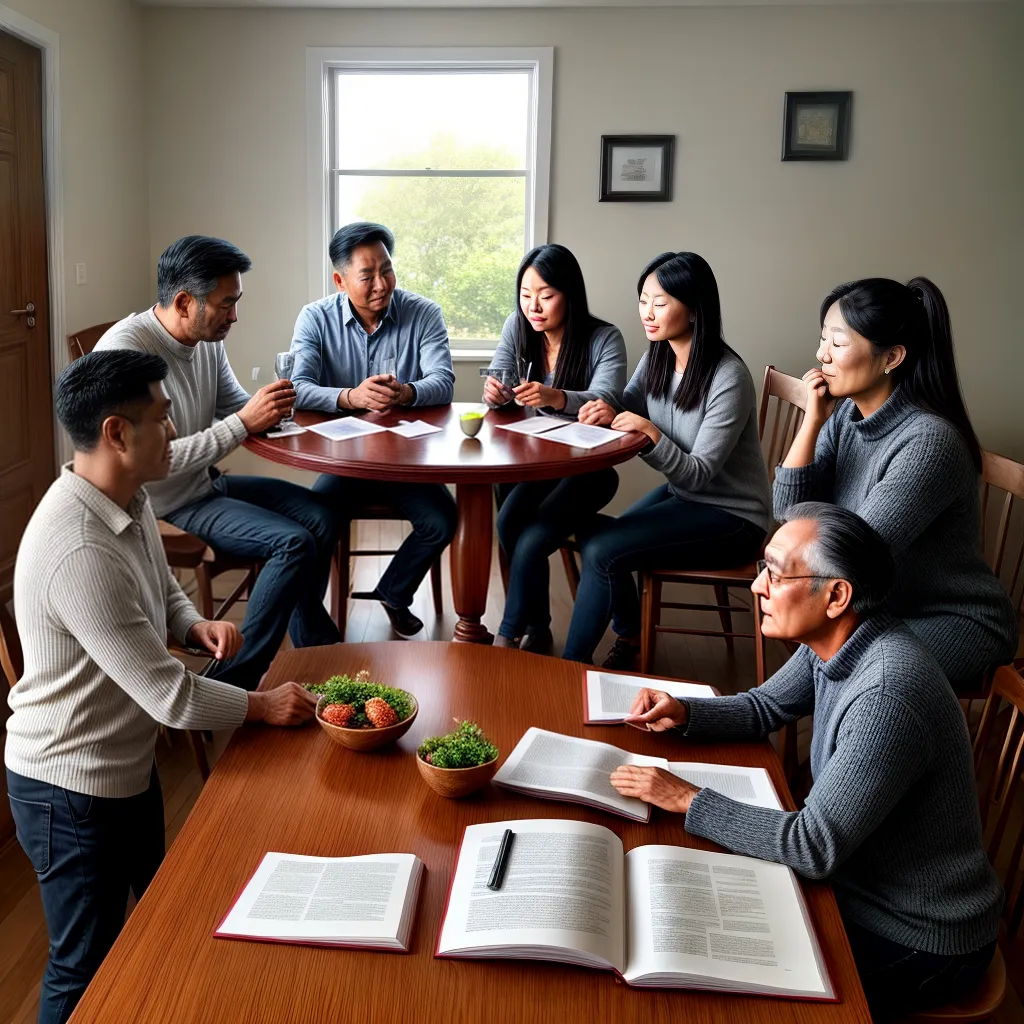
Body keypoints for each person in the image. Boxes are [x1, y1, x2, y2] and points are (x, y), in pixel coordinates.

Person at [6, 350, 319, 1024]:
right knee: (81, 965)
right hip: (68, 787)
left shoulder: (127, 495)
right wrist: (263, 705)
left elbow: (159, 590)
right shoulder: (79, 546)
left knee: (152, 922)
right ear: (117, 432)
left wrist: (193, 622)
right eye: (162, 416)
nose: (175, 430)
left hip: (122, 764)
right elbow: (171, 699)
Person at [610, 503, 1002, 1019]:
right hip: (854, 885)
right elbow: (764, 706)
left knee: (714, 987)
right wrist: (685, 711)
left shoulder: (887, 694)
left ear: (836, 596)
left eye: (776, 573)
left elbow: (811, 846)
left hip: (918, 935)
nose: (758, 586)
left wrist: (684, 798)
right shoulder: (838, 642)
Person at [96, 235, 342, 689]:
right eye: (226, 304)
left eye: (236, 302)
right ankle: (234, 683)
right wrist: (245, 422)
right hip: (160, 504)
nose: (235, 316)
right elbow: (149, 462)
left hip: (203, 485)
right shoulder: (125, 351)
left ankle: (312, 642)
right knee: (293, 544)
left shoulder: (205, 338)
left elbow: (234, 405)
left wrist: (270, 408)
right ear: (184, 302)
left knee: (322, 514)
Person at [773, 277, 1017, 692]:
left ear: (892, 357)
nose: (821, 354)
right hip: (878, 607)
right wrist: (811, 421)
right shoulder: (846, 415)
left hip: (954, 619)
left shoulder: (929, 442)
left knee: (842, 657)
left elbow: (854, 557)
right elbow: (786, 513)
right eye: (822, 339)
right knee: (828, 652)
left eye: (837, 342)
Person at [561, 251, 770, 667]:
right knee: (588, 531)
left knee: (603, 549)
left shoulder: (727, 376)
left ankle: (568, 668)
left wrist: (651, 434)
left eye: (660, 302)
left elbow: (698, 474)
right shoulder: (658, 355)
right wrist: (607, 408)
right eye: (643, 300)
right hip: (685, 499)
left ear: (693, 310)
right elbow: (630, 403)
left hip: (733, 517)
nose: (647, 313)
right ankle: (631, 638)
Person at [289, 221, 458, 637]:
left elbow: (444, 381)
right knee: (315, 526)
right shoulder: (315, 318)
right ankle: (313, 632)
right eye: (367, 276)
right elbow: (298, 388)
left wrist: (406, 392)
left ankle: (394, 592)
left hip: (405, 461)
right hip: (345, 461)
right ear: (340, 280)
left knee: (442, 520)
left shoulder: (424, 313)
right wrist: (352, 397)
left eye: (387, 270)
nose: (382, 284)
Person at [482, 244, 626, 653]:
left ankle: (507, 636)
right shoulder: (517, 326)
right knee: (509, 524)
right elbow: (499, 378)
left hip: (588, 471)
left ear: (570, 293)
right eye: (526, 295)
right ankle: (538, 629)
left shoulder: (604, 338)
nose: (533, 306)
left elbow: (607, 398)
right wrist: (495, 394)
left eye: (546, 295)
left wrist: (557, 397)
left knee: (529, 541)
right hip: (537, 467)